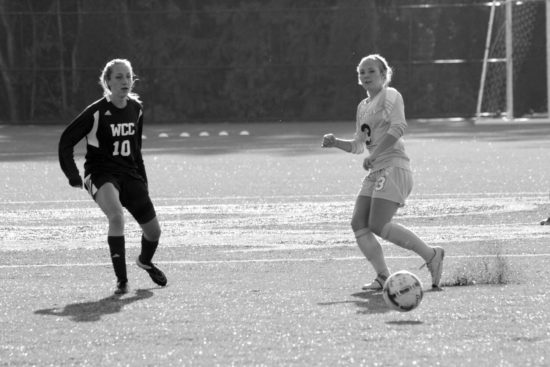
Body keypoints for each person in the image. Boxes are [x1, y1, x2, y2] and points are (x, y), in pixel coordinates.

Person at [322, 54, 444, 290]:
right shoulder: (363, 106)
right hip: (377, 169)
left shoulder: (390, 95)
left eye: (371, 71)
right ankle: (382, 277)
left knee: (378, 224)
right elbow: (359, 144)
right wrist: (336, 142)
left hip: (394, 167)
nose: (366, 76)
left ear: (384, 75)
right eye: (361, 72)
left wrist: (376, 155)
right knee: (359, 223)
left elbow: (399, 127)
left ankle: (431, 255)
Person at [58, 58, 167, 295]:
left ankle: (145, 262)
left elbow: (136, 151)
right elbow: (66, 141)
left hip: (129, 174)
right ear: (107, 82)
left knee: (154, 232)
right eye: (118, 77)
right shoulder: (96, 112)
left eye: (128, 76)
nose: (125, 81)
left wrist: (143, 183)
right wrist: (73, 175)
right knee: (116, 217)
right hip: (101, 173)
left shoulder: (136, 109)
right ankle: (122, 281)